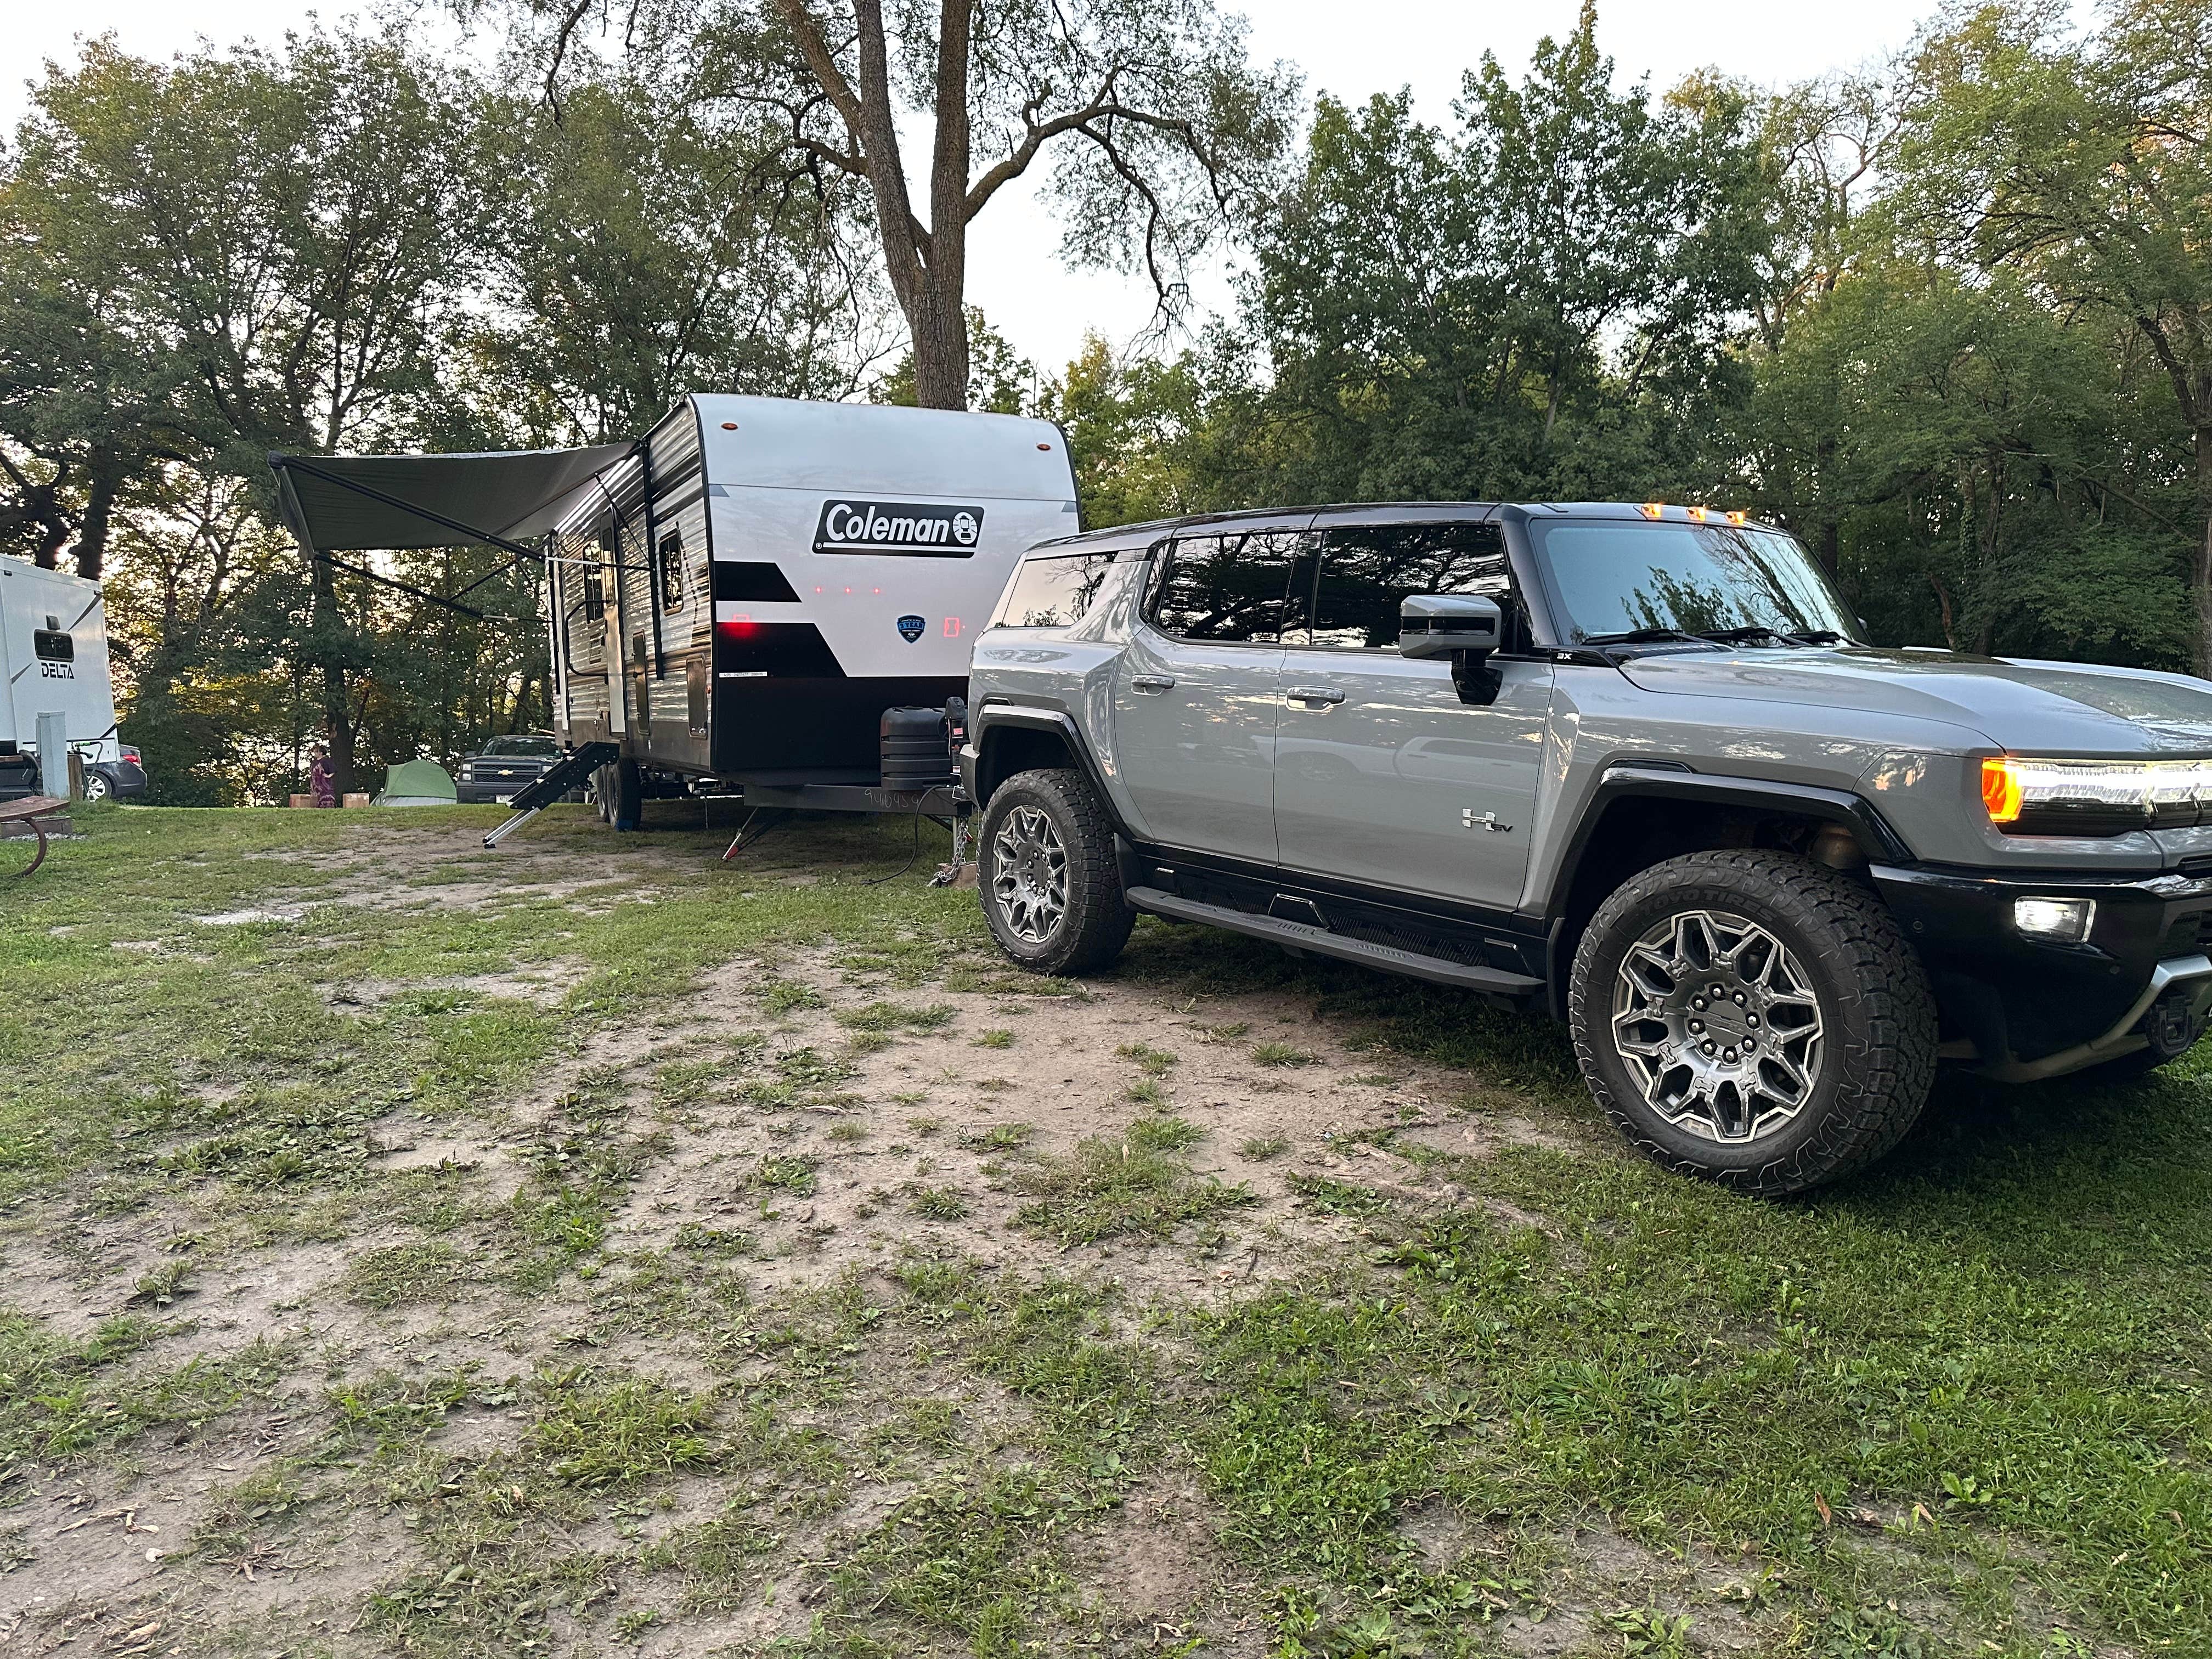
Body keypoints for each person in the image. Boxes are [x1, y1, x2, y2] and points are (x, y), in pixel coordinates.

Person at [309, 744, 336, 809]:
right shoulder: (314, 762)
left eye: (316, 752)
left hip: (324, 784)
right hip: (315, 785)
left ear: (321, 753)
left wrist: (329, 776)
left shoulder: (326, 761)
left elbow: (333, 770)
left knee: (326, 797)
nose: (315, 753)